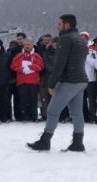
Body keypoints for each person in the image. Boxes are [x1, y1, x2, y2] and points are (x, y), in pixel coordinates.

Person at [27, 14, 89, 152]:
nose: (57, 26)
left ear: (67, 25)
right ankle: (78, 142)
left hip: (69, 80)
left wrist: (51, 83)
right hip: (81, 79)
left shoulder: (65, 38)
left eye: (59, 24)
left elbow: (59, 63)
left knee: (52, 110)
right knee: (77, 112)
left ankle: (45, 140)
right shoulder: (80, 39)